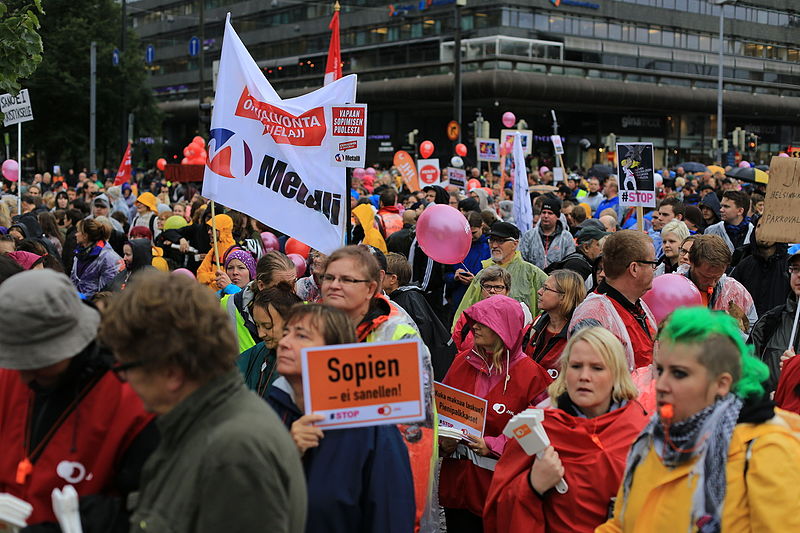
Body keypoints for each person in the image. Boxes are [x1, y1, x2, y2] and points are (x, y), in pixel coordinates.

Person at [99, 271, 307, 533]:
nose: (124, 380)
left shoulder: (235, 450)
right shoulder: (200, 423)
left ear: (171, 372)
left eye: (127, 368)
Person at [596, 307, 800, 533]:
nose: (662, 384)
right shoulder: (654, 438)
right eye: (660, 370)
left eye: (679, 373)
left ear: (722, 383)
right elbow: (621, 524)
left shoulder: (766, 450)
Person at [0, 270, 156, 529]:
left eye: (38, 361)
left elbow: (150, 511)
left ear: (75, 343)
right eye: (16, 360)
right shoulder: (10, 376)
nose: (25, 375)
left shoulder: (133, 400)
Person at [484, 327, 649, 533]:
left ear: (617, 374)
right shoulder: (537, 427)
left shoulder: (641, 429)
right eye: (576, 366)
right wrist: (532, 486)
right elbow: (499, 509)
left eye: (597, 368)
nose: (584, 376)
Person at [320, 245, 437, 532]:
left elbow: (414, 433)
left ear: (372, 287)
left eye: (347, 280)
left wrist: (408, 510)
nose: (334, 285)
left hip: (377, 484)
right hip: (327, 482)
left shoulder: (397, 336)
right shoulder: (314, 330)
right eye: (329, 277)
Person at [269, 304, 415, 532]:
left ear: (334, 352)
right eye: (285, 333)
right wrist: (287, 454)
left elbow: (391, 517)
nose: (284, 343)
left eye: (301, 336)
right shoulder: (269, 411)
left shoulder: (373, 428)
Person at [439, 295, 552, 532]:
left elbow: (542, 430)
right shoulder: (462, 361)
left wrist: (496, 444)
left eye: (484, 321)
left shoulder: (531, 375)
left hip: (499, 491)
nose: (475, 326)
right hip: (458, 486)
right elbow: (441, 411)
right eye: (474, 320)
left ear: (505, 327)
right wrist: (441, 440)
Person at [570, 230, 657, 371]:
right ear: (634, 268)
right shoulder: (592, 316)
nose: (655, 270)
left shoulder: (636, 303)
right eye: (652, 263)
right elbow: (591, 378)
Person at [453, 222, 548, 328]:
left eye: (500, 241)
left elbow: (549, 309)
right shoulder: (483, 273)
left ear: (515, 244)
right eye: (492, 240)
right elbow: (465, 310)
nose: (494, 245)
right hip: (486, 340)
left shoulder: (533, 274)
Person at [385, 252, 457, 381]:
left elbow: (423, 333)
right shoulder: (404, 296)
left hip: (432, 368)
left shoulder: (408, 299)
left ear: (393, 279)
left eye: (381, 273)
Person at [222, 250, 297, 354]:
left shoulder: (303, 311)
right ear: (261, 285)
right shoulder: (228, 305)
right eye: (282, 287)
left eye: (294, 282)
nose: (292, 291)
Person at [748, 250, 800, 392]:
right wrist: (764, 399)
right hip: (773, 411)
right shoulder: (770, 320)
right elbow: (747, 369)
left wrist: (796, 367)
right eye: (795, 269)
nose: (799, 275)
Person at [684, 234, 757, 334]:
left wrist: (732, 331)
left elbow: (753, 337)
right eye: (706, 277)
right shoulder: (675, 289)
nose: (712, 283)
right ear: (691, 262)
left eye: (717, 277)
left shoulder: (735, 291)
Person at [238, 287, 302, 399]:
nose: (260, 334)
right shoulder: (257, 352)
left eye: (268, 326)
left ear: (291, 322)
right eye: (257, 326)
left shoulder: (309, 359)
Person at [526, 270, 587, 378]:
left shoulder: (578, 335)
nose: (539, 291)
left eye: (546, 288)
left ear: (563, 297)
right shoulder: (537, 323)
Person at [731, 215, 791, 316]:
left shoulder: (790, 266)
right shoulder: (744, 265)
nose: (763, 231)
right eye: (759, 226)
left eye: (769, 227)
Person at [445, 211, 491, 315]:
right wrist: (454, 277)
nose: (470, 236)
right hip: (458, 300)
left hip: (481, 301)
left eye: (474, 233)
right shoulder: (456, 246)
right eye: (467, 233)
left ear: (481, 227)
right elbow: (446, 274)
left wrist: (476, 280)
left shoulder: (490, 246)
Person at [71, 218, 123, 298]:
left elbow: (107, 288)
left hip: (95, 304)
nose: (75, 234)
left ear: (85, 236)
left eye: (78, 231)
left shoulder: (108, 257)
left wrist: (88, 299)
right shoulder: (79, 252)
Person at [520, 196, 576, 270]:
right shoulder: (529, 235)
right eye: (544, 212)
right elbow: (522, 260)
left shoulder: (566, 237)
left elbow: (570, 263)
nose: (546, 216)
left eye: (550, 213)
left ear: (557, 216)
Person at [546, 225, 607, 290]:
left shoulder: (579, 260)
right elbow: (570, 295)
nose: (601, 249)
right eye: (598, 245)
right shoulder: (577, 266)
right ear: (586, 247)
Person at [196, 213, 237, 289]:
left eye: (213, 229)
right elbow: (200, 275)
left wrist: (208, 280)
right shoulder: (213, 251)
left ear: (223, 231)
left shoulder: (233, 253)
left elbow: (226, 280)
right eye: (209, 229)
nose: (209, 232)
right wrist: (214, 277)